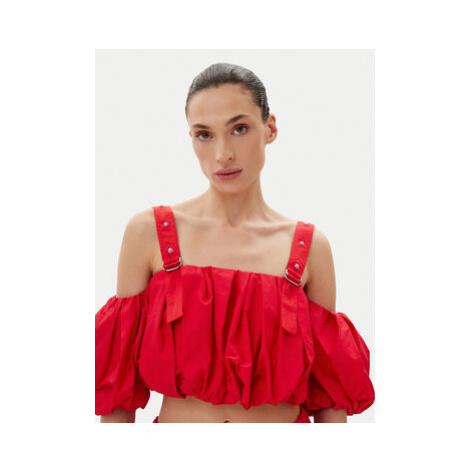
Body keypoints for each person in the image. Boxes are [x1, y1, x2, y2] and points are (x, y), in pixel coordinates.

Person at [95, 62, 375, 423]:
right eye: (204, 135)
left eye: (239, 129)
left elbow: (329, 398)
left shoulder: (309, 248)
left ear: (270, 128)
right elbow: (117, 392)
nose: (223, 154)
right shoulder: (148, 233)